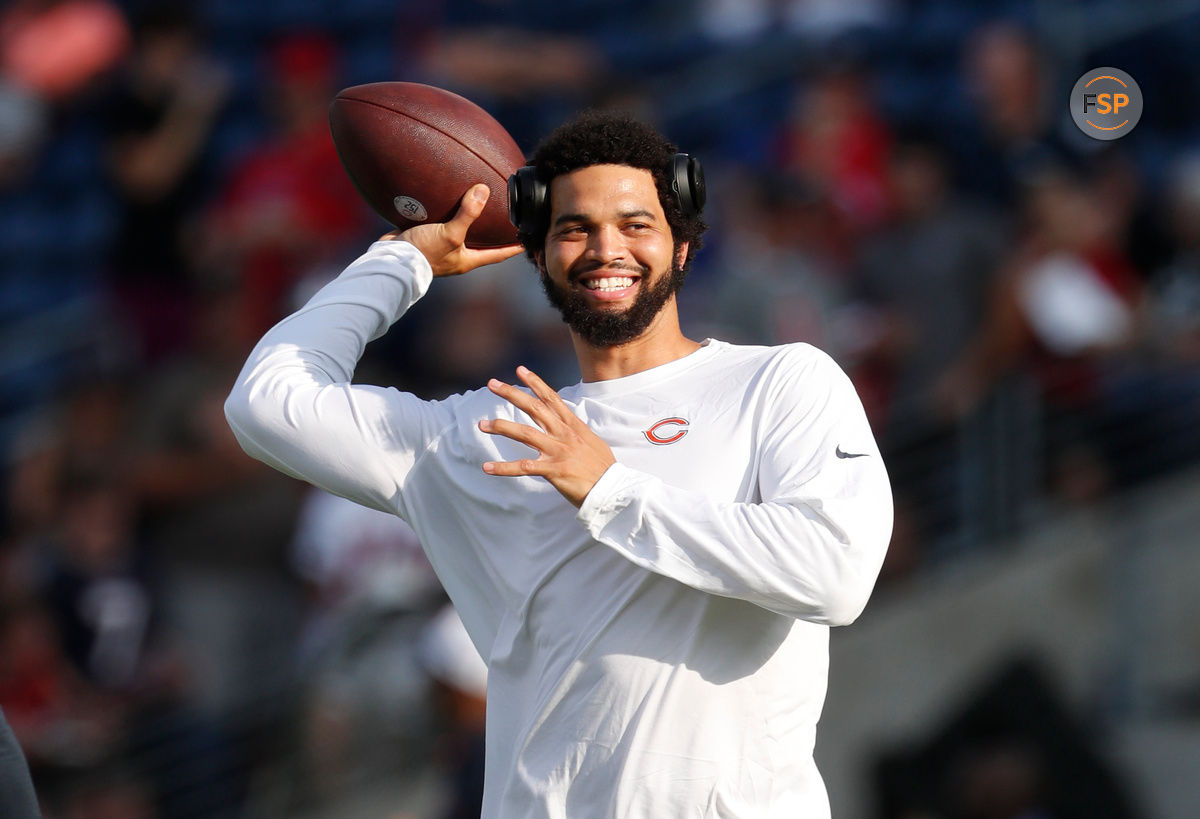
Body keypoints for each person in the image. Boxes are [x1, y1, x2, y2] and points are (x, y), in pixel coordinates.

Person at [225, 112, 893, 817]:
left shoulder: (782, 383)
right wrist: (405, 261)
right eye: (575, 228)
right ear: (537, 255)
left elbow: (836, 575)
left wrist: (610, 489)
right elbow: (265, 402)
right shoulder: (482, 433)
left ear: (685, 247)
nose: (607, 248)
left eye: (636, 224)